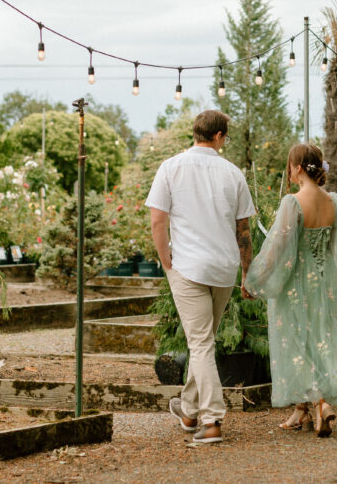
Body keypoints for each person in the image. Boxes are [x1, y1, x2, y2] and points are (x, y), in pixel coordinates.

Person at [145, 110, 256, 444]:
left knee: (201, 343)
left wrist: (165, 260)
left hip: (188, 267)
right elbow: (243, 229)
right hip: (223, 269)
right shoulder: (233, 173)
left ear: (196, 133)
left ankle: (211, 420)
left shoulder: (170, 167)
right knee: (204, 341)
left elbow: (157, 220)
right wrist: (247, 272)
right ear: (219, 136)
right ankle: (190, 410)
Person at [244, 143, 337, 437]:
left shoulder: (293, 202)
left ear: (299, 168)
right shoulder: (333, 202)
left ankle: (320, 403)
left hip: (297, 285)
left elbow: (277, 247)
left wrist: (254, 280)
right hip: (325, 284)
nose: (289, 171)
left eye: (290, 166)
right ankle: (302, 410)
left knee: (296, 344)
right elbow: (334, 247)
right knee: (319, 341)